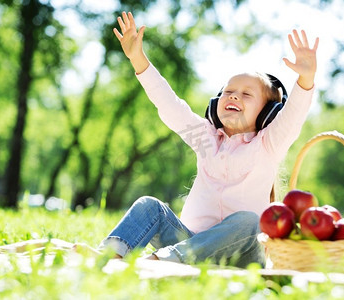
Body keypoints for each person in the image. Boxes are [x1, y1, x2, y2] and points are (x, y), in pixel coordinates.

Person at [92, 11, 320, 268]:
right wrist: (138, 59)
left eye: (247, 94)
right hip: (190, 243)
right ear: (215, 105)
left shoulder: (269, 144)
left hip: (240, 255)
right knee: (149, 206)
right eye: (229, 92)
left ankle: (161, 261)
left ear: (268, 114)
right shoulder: (205, 139)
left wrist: (306, 80)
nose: (234, 97)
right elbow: (169, 104)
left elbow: (294, 116)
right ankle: (108, 257)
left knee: (249, 221)